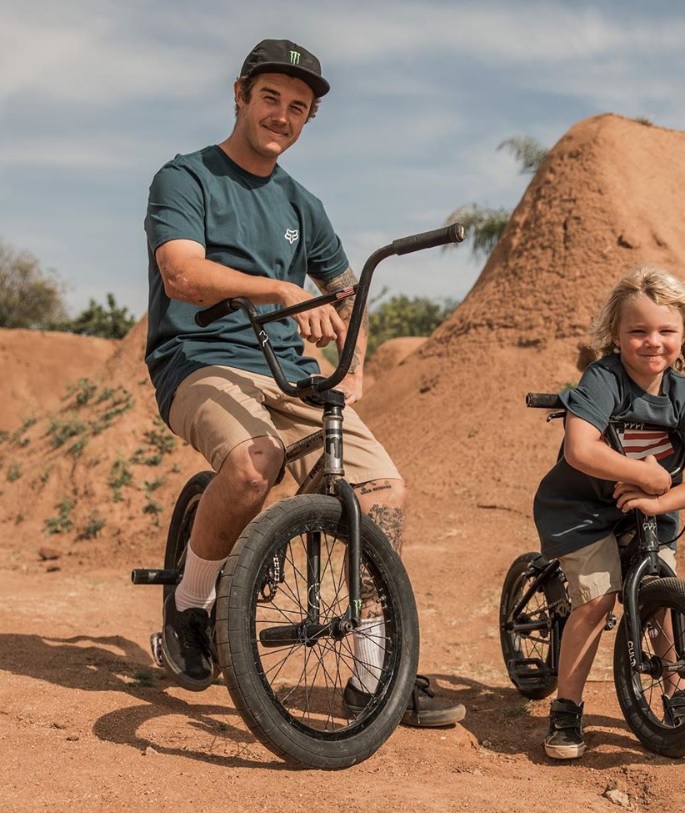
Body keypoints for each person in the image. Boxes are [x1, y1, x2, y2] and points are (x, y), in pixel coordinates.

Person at [143, 38, 464, 727]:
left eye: (298, 107)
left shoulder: (303, 203)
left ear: (308, 119)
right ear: (240, 94)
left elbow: (348, 296)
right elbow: (183, 275)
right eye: (270, 99)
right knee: (254, 463)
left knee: (382, 491)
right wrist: (283, 290)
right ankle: (190, 607)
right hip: (202, 359)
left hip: (293, 376)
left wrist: (357, 369)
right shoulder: (186, 178)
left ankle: (376, 675)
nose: (282, 116)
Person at [532, 265, 685, 759]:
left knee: (659, 598)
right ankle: (567, 710)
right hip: (581, 508)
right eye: (637, 331)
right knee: (597, 601)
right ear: (616, 337)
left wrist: (661, 499)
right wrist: (647, 474)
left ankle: (675, 691)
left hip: (648, 513)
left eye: (666, 331)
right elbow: (580, 448)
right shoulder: (603, 380)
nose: (652, 342)